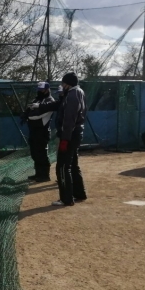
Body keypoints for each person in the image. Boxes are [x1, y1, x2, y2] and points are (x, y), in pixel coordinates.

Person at [52, 72, 87, 207]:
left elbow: (69, 119)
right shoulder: (80, 92)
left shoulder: (72, 95)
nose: (62, 85)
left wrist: (65, 139)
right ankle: (79, 193)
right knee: (73, 164)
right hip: (76, 132)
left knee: (62, 166)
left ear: (68, 83)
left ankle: (66, 198)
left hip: (70, 134)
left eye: (64, 83)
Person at [21, 81, 54, 182]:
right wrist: (25, 114)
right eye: (39, 90)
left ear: (47, 90)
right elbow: (29, 110)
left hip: (42, 131)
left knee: (42, 153)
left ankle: (45, 175)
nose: (40, 91)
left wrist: (30, 115)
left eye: (42, 90)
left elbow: (36, 115)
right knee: (34, 153)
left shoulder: (50, 100)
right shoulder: (37, 99)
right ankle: (38, 173)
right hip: (33, 130)